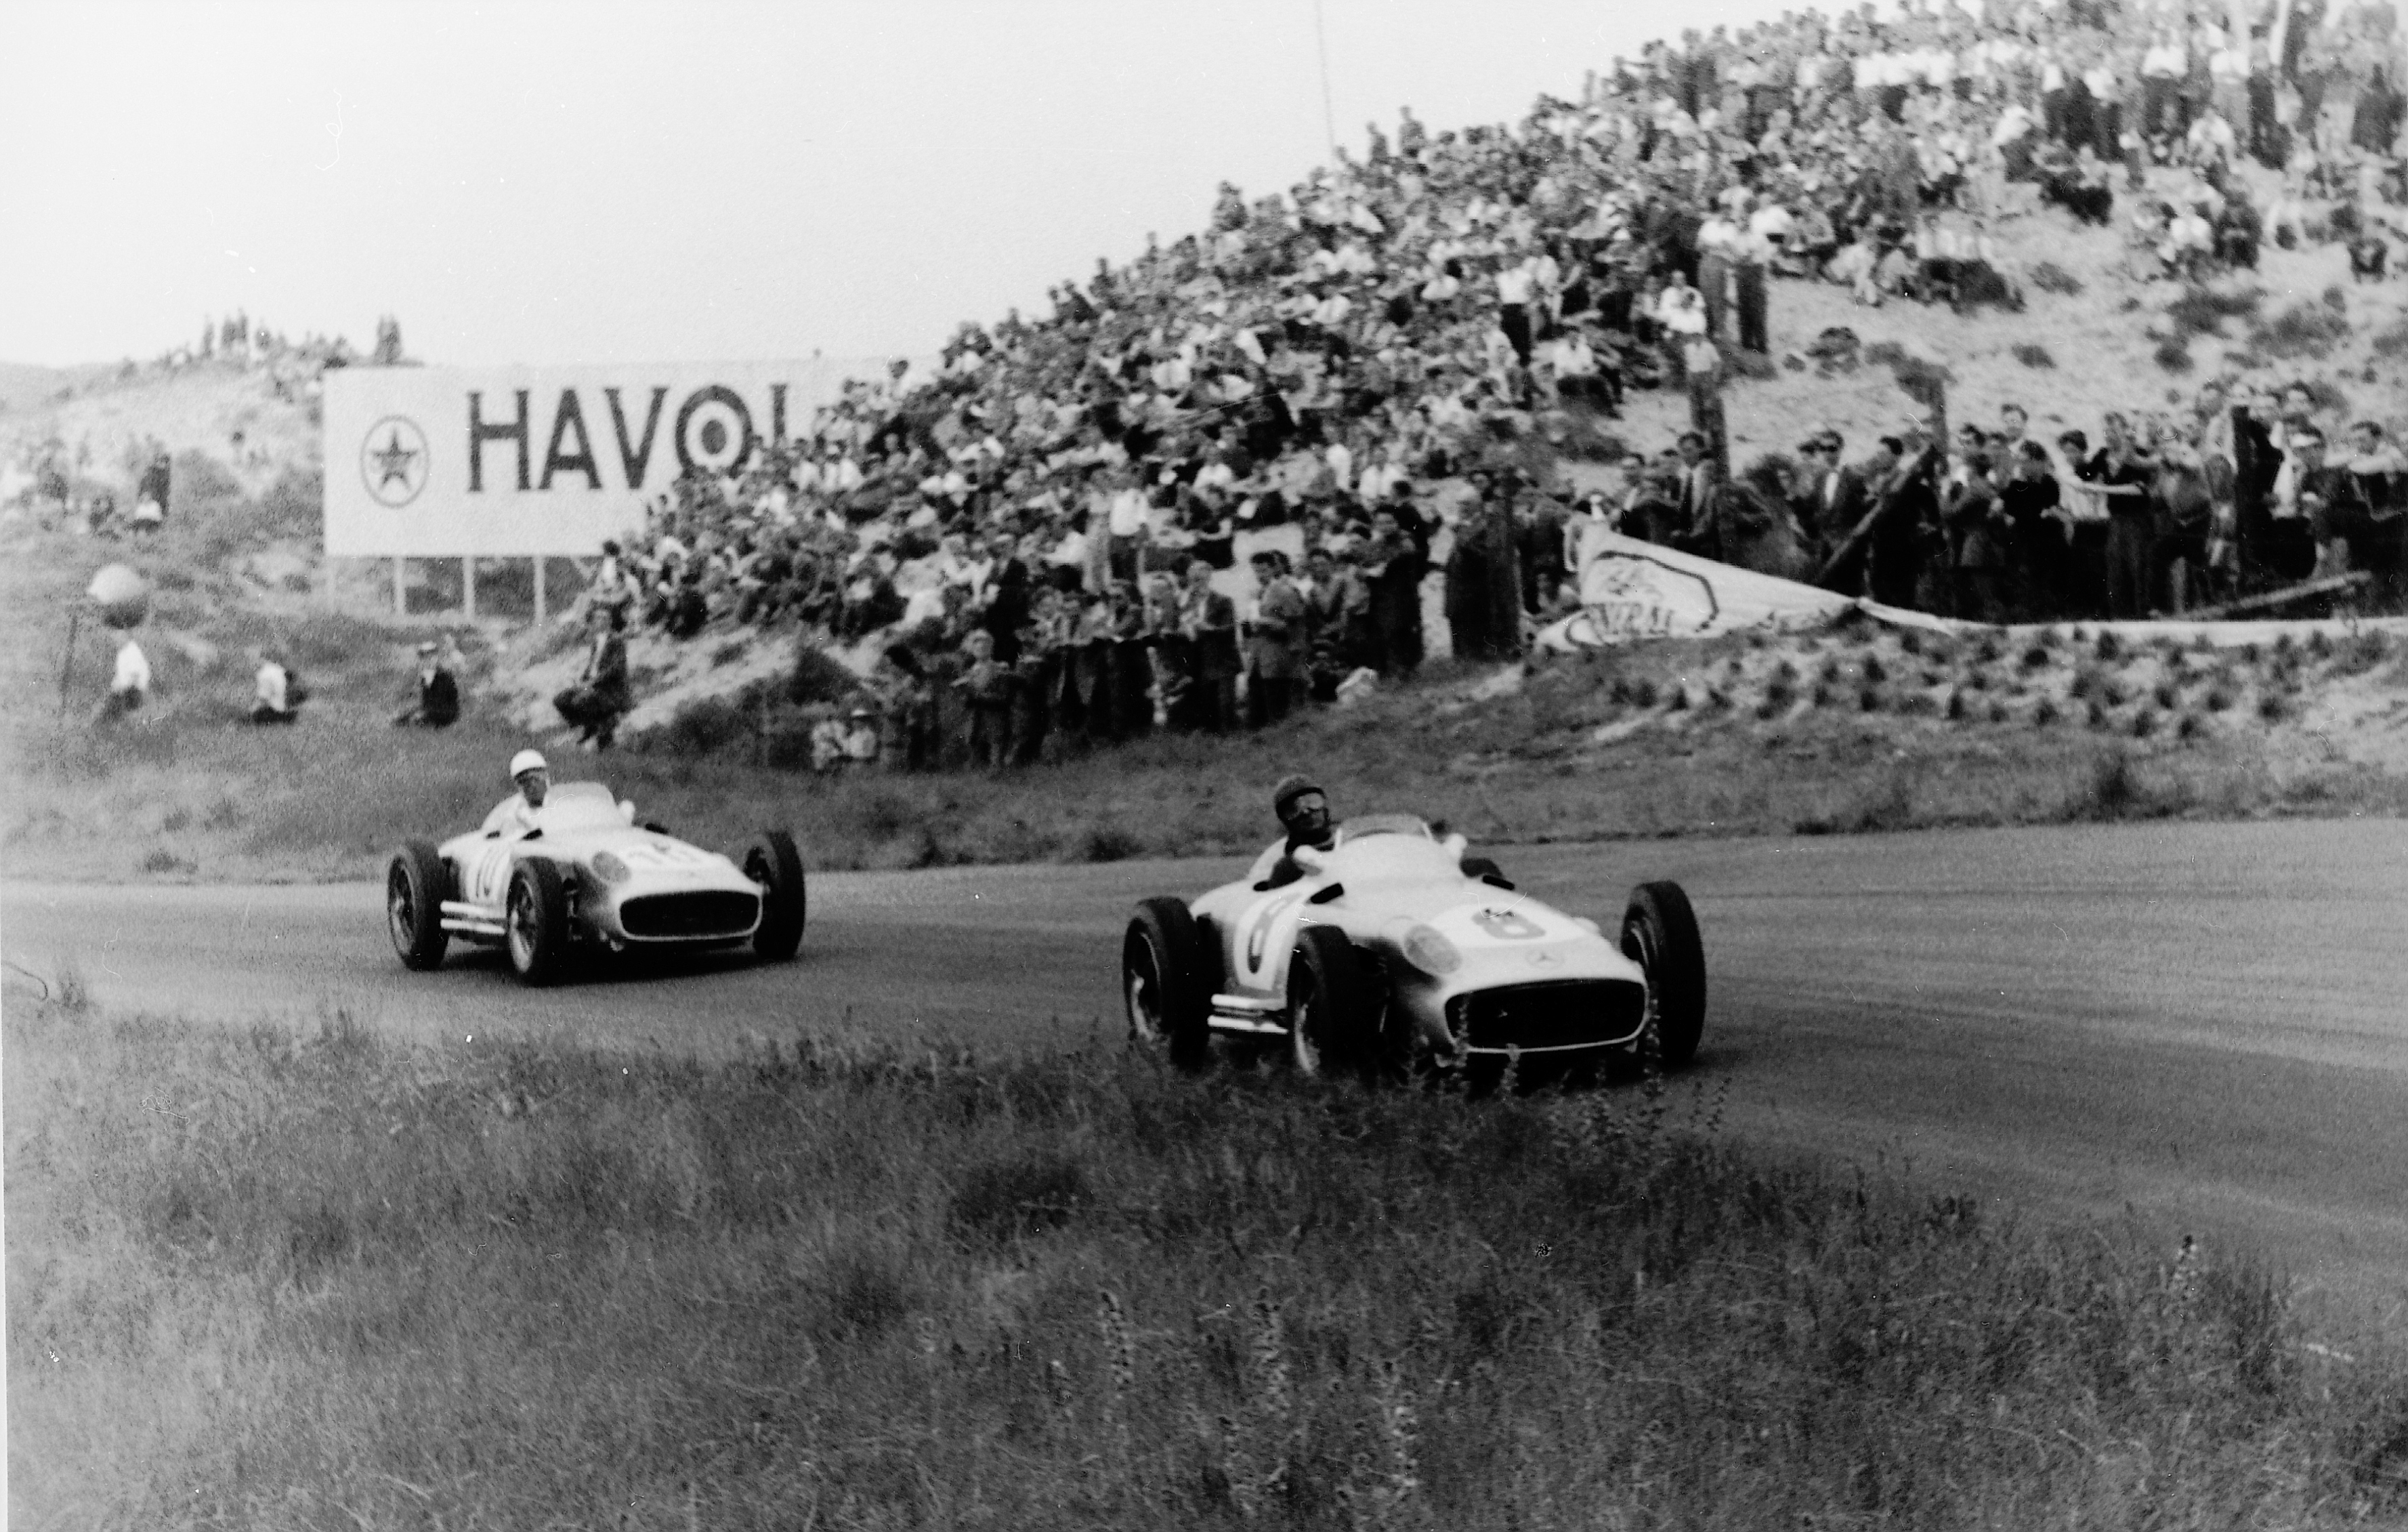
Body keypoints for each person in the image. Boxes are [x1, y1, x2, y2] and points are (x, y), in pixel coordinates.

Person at [553, 605, 631, 749]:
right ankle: (589, 725)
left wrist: (592, 682)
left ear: (610, 622)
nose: (599, 622)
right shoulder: (596, 641)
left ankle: (600, 727)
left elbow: (614, 670)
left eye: (603, 619)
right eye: (597, 619)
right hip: (593, 685)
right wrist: (582, 680)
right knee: (560, 700)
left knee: (580, 701)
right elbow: (592, 665)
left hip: (610, 689)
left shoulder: (617, 640)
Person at [1261, 774, 1336, 889]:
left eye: (1313, 802)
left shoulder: (1349, 843)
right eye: (1294, 809)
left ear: (1325, 806)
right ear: (1285, 820)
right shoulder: (1287, 867)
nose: (1306, 812)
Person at [481, 749, 551, 838]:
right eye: (526, 781)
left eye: (537, 778)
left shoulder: (559, 803)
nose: (533, 786)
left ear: (546, 777)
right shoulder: (511, 815)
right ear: (519, 786)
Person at [394, 640, 460, 727]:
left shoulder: (444, 676)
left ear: (436, 657)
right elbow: (427, 700)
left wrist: (424, 712)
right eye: (425, 658)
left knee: (417, 719)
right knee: (403, 720)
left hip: (445, 712)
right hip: (431, 710)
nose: (428, 660)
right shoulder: (425, 675)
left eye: (431, 657)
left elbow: (443, 701)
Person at [95, 632, 150, 724]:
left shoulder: (132, 652)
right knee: (107, 714)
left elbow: (135, 675)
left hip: (132, 690)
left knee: (115, 714)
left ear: (126, 638)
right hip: (125, 690)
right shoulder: (123, 652)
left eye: (119, 638)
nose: (116, 641)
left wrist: (122, 688)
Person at [251, 649, 301, 724]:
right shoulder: (279, 669)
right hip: (283, 704)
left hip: (272, 708)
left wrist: (253, 710)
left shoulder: (263, 674)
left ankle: (278, 718)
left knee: (256, 716)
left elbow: (264, 698)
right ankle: (286, 715)